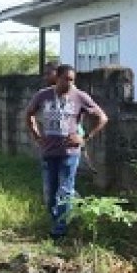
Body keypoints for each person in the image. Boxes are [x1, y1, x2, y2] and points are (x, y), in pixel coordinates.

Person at [26, 64, 108, 239]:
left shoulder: (79, 97)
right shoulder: (43, 95)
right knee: (50, 194)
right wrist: (37, 136)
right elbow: (29, 114)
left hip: (70, 153)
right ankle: (65, 212)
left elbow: (102, 118)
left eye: (72, 80)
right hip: (49, 152)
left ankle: (60, 230)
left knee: (64, 190)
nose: (69, 83)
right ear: (57, 77)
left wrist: (85, 138)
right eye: (66, 79)